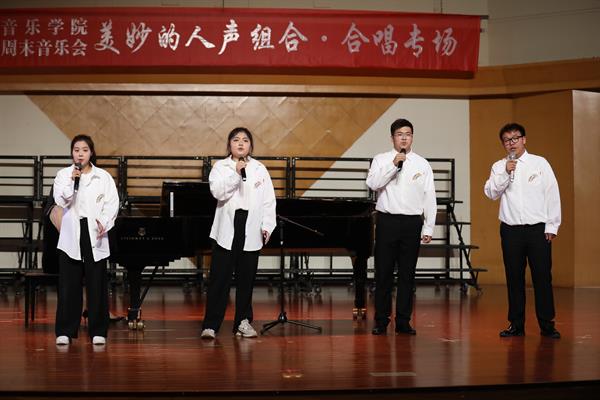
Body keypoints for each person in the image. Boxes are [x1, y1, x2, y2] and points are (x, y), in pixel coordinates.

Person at [484, 122, 561, 339]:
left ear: (524, 140)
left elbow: (552, 194)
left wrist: (552, 225)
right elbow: (491, 193)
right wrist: (505, 173)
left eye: (515, 138)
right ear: (503, 144)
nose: (512, 143)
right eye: (507, 140)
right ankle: (516, 325)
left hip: (538, 230)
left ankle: (547, 324)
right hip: (511, 230)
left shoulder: (539, 163)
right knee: (514, 277)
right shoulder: (499, 166)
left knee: (542, 277)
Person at [201, 127, 276, 339]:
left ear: (250, 145)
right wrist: (236, 172)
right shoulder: (221, 167)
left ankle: (243, 322)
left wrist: (267, 226)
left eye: (245, 140)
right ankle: (211, 325)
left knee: (246, 280)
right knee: (219, 279)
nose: (241, 143)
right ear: (229, 145)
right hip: (227, 227)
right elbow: (218, 192)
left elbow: (269, 200)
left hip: (251, 226)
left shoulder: (260, 168)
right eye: (236, 140)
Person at [366, 118, 437, 335]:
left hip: (412, 223)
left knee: (407, 275)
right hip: (387, 221)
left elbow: (430, 197)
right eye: (399, 134)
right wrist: (393, 165)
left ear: (412, 137)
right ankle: (381, 320)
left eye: (408, 134)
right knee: (383, 274)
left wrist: (428, 227)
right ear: (392, 138)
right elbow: (373, 184)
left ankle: (404, 321)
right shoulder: (381, 160)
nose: (404, 138)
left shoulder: (422, 164)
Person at [53, 135, 119, 346]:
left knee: (96, 283)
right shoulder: (63, 175)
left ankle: (98, 330)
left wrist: (104, 222)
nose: (80, 154)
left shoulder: (103, 177)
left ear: (91, 153)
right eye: (76, 150)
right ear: (71, 153)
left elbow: (112, 203)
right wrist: (73, 181)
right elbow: (61, 200)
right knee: (69, 284)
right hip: (71, 232)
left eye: (84, 150)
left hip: (94, 232)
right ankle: (65, 330)